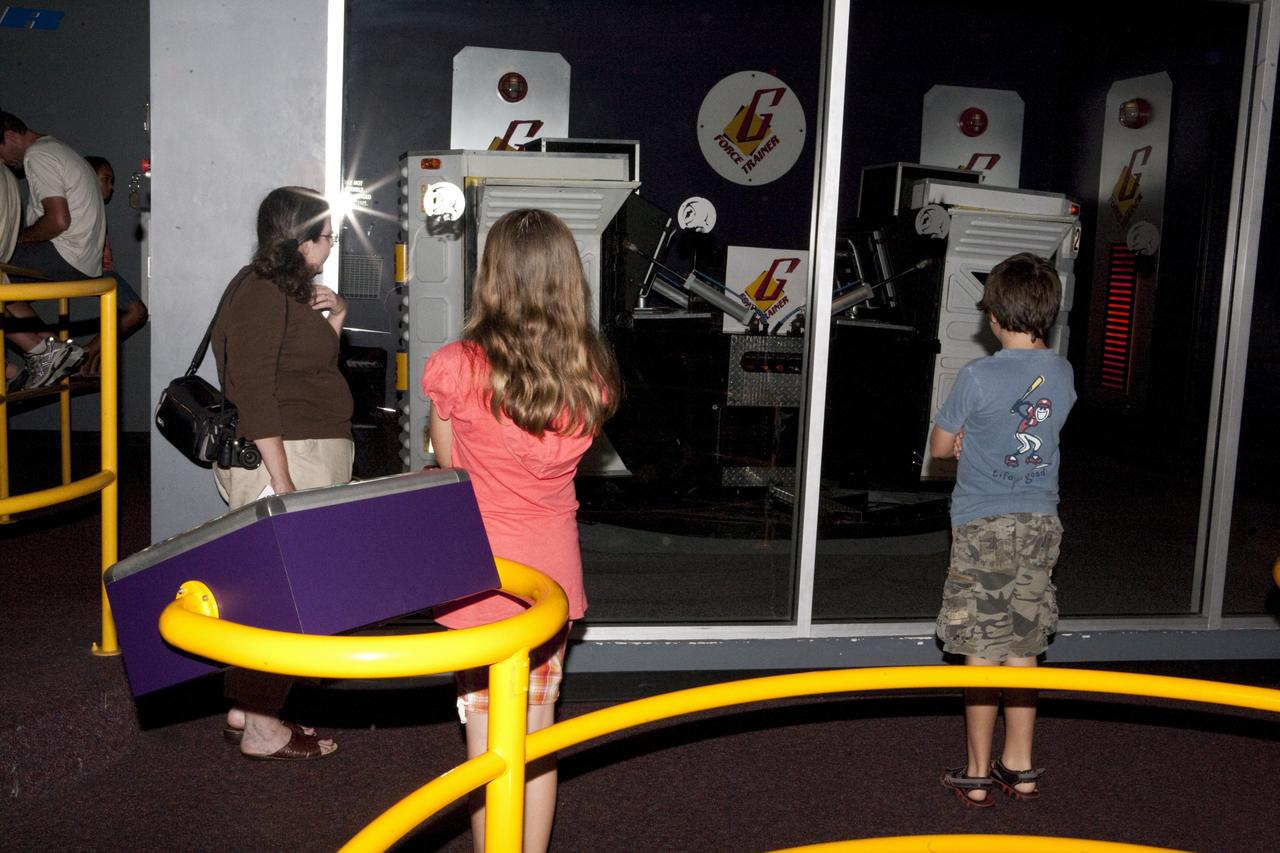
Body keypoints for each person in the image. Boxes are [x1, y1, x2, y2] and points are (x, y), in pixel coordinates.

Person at [421, 208, 620, 852]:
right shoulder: (591, 372)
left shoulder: (457, 365)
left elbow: (446, 464)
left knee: (485, 742)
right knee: (536, 736)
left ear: (492, 276)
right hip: (550, 578)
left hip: (478, 576)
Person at [211, 185, 352, 760]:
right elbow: (253, 394)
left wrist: (336, 318)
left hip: (299, 452)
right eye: (327, 237)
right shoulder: (263, 293)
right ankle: (264, 727)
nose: (330, 246)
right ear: (299, 240)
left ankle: (247, 708)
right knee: (284, 598)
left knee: (270, 591)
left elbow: (311, 371)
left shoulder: (278, 291)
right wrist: (284, 481)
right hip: (287, 457)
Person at [931, 252, 1076, 807]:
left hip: (982, 523)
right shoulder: (1061, 371)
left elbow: (941, 448)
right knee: (1025, 642)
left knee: (979, 645)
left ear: (994, 315)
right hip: (1041, 522)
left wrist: (962, 437)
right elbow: (1041, 427)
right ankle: (1020, 767)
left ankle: (974, 773)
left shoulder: (977, 374)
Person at [0, 110, 97, 388]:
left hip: (64, 251)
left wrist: (15, 239)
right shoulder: (57, 148)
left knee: (1, 271)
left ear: (9, 136)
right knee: (4, 282)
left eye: (1, 152)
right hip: (80, 255)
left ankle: (39, 352)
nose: (4, 161)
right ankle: (55, 351)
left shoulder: (37, 155)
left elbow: (58, 221)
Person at [77, 156, 148, 376]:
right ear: (88, 179)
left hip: (103, 272)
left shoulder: (95, 211)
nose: (111, 187)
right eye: (106, 180)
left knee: (125, 317)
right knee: (136, 311)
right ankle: (85, 355)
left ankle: (87, 362)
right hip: (95, 272)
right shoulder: (80, 209)